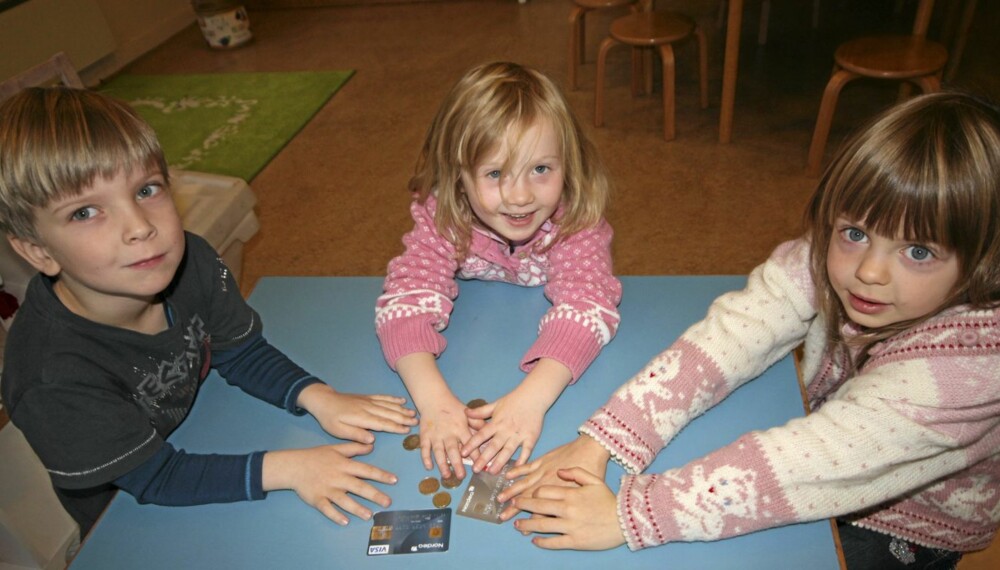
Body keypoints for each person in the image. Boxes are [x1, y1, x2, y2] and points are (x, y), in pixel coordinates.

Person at [498, 91, 1000, 569]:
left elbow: (823, 460)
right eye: (855, 233)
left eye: (918, 252)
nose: (870, 270)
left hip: (908, 521)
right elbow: (739, 331)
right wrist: (605, 440)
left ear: (980, 263)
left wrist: (630, 514)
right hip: (837, 432)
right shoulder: (832, 254)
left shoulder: (969, 372)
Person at [0, 87, 418, 538]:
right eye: (85, 212)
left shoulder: (189, 260)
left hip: (197, 431)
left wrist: (318, 396)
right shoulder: (51, 377)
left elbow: (239, 352)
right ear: (39, 252)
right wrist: (289, 468)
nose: (141, 227)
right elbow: (155, 477)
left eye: (146, 189)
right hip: (127, 513)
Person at [375, 61, 622, 479]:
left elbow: (588, 305)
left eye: (541, 169)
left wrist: (532, 400)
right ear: (459, 178)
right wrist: (433, 401)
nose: (520, 196)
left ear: (569, 162)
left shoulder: (576, 219)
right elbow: (405, 300)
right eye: (494, 173)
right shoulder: (443, 214)